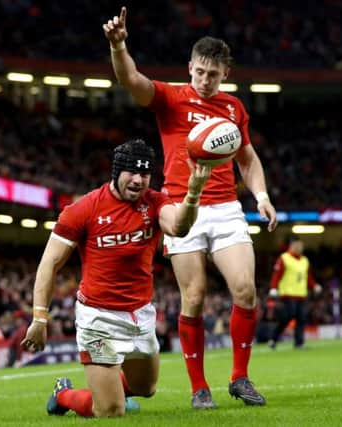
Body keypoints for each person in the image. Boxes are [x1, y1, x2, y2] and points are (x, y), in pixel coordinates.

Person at [103, 7, 278, 409]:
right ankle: (199, 387)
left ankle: (239, 378)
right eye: (199, 72)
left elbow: (247, 159)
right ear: (190, 67)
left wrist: (262, 196)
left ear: (225, 74)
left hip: (227, 207)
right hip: (181, 208)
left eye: (212, 74)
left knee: (245, 290)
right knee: (194, 296)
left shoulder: (233, 109)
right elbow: (130, 80)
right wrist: (119, 46)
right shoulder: (171, 96)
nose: (204, 80)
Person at [20, 139, 211, 417]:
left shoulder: (156, 202)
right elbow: (49, 264)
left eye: (144, 174)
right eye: (131, 172)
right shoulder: (83, 209)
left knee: (146, 388)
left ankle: (111, 391)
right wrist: (39, 318)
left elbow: (178, 227)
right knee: (110, 411)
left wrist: (193, 193)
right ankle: (63, 395)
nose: (137, 180)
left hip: (140, 314)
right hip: (98, 317)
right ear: (116, 171)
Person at [267, 235, 322, 350]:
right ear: (292, 246)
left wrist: (314, 285)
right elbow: (277, 275)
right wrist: (273, 288)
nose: (300, 248)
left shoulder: (304, 260)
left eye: (301, 246)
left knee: (301, 318)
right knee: (287, 317)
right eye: (298, 246)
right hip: (287, 294)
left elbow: (308, 277)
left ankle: (299, 343)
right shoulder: (284, 258)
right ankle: (273, 338)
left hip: (301, 294)